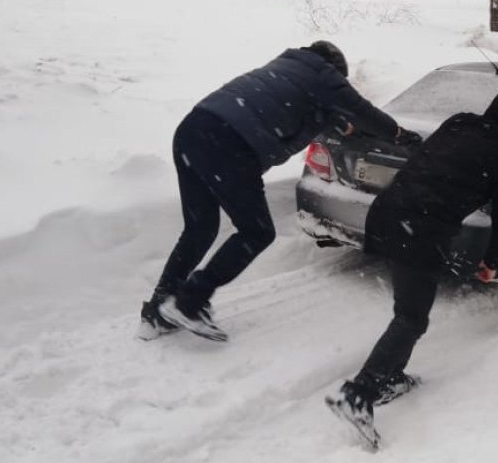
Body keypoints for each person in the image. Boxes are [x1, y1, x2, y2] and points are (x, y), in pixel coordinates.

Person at [141, 40, 420, 342]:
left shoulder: (287, 71)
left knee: (199, 228)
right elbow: (362, 111)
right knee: (257, 232)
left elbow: (338, 121)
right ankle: (190, 301)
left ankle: (159, 309)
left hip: (193, 130)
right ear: (335, 69)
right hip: (230, 144)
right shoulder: (322, 75)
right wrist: (401, 136)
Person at [326, 85, 498, 443]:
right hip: (421, 229)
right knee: (411, 318)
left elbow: (435, 162)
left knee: (409, 311)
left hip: (387, 213)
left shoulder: (460, 122)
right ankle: (358, 394)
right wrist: (492, 262)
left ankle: (391, 377)